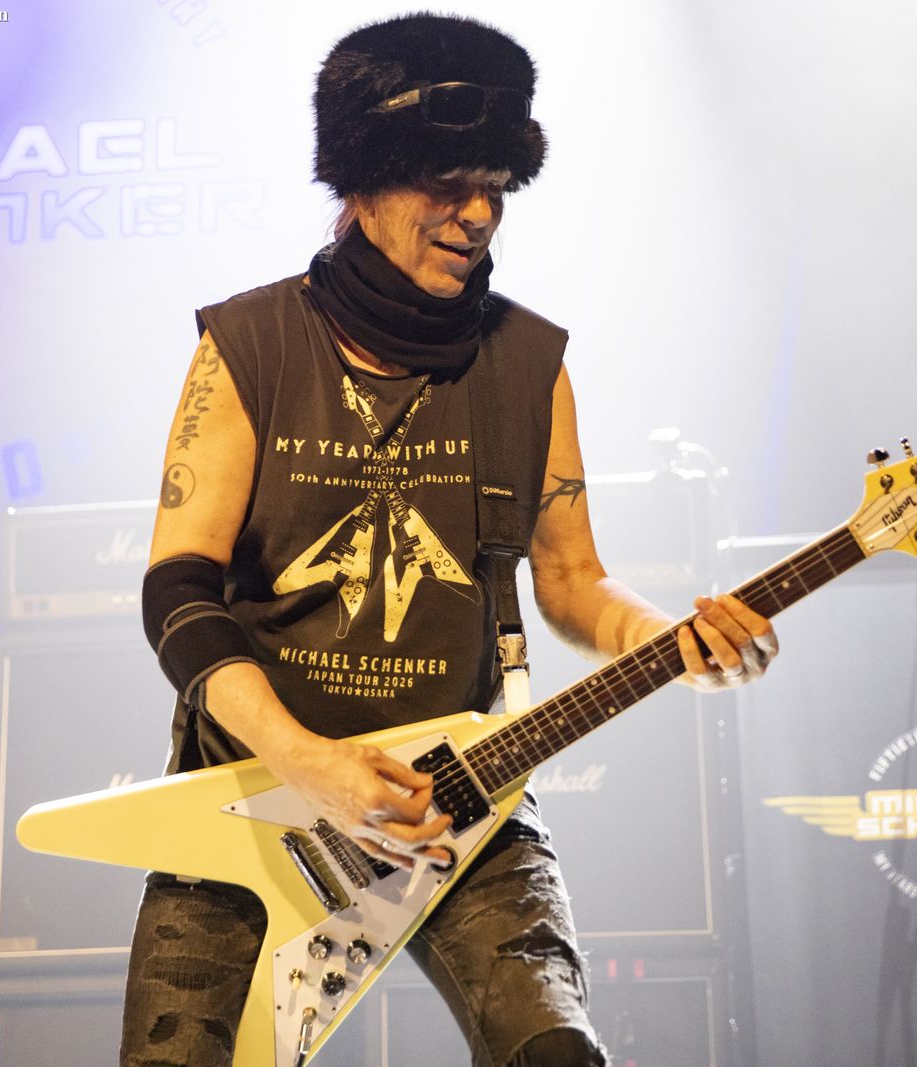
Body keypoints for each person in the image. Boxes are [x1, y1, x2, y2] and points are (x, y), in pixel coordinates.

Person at [123, 14, 779, 1066]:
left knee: (555, 1053)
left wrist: (670, 638)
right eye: (446, 184)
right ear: (363, 183)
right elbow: (179, 590)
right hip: (248, 802)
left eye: (496, 188)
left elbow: (573, 581)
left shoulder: (528, 365)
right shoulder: (247, 346)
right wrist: (306, 759)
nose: (477, 215)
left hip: (465, 800)